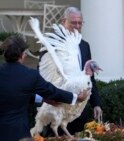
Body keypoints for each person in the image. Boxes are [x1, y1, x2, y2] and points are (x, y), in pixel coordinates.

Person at [0, 35, 89, 141]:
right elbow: (52, 91)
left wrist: (42, 99)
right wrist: (76, 97)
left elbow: (15, 92)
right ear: (22, 55)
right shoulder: (30, 75)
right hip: (18, 134)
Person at [39, 6, 102, 135]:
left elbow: (90, 78)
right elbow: (41, 79)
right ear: (63, 22)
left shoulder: (85, 45)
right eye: (73, 22)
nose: (77, 26)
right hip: (57, 108)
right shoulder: (52, 44)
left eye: (80, 23)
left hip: (79, 112)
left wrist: (96, 103)